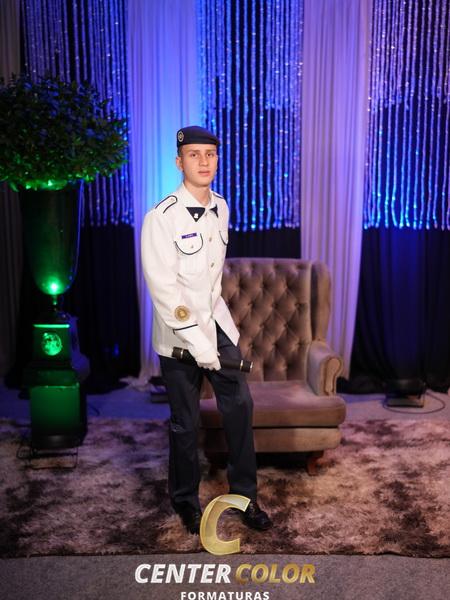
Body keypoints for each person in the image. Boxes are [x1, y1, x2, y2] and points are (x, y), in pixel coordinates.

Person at [141, 125, 273, 535]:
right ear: (179, 162)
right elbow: (164, 290)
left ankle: (246, 497)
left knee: (240, 409)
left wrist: (217, 338)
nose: (204, 162)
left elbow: (211, 282)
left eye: (210, 155)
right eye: (194, 155)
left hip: (216, 323)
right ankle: (185, 502)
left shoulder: (222, 207)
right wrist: (198, 344)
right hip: (178, 333)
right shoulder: (160, 217)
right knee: (185, 424)